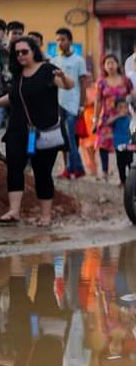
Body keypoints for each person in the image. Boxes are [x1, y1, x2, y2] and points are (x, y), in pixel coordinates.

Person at [0, 36, 75, 226]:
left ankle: (46, 215)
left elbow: (68, 85)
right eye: (17, 53)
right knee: (14, 169)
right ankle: (14, 211)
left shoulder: (47, 70)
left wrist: (64, 77)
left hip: (44, 131)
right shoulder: (18, 74)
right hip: (17, 130)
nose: (20, 56)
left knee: (42, 172)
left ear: (34, 50)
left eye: (24, 51)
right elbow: (14, 96)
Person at [53, 28, 90, 180]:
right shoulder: (56, 60)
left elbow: (83, 83)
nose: (60, 43)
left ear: (70, 41)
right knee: (65, 139)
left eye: (63, 39)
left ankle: (73, 168)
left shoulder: (79, 60)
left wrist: (82, 105)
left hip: (73, 105)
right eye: (58, 40)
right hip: (59, 103)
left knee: (70, 138)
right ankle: (76, 168)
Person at [92, 54, 134, 182]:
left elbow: (132, 98)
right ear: (104, 66)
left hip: (123, 118)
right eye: (107, 63)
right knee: (103, 144)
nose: (110, 66)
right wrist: (95, 118)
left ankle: (126, 175)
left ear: (117, 64)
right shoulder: (101, 82)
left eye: (112, 62)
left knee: (123, 145)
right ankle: (104, 172)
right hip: (107, 117)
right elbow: (98, 101)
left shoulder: (126, 80)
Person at [109, 98, 132, 188]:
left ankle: (132, 181)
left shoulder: (129, 119)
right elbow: (108, 122)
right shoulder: (116, 119)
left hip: (129, 145)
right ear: (116, 109)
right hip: (118, 145)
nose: (123, 110)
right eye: (120, 108)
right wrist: (118, 116)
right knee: (120, 164)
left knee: (130, 163)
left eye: (125, 107)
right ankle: (123, 180)